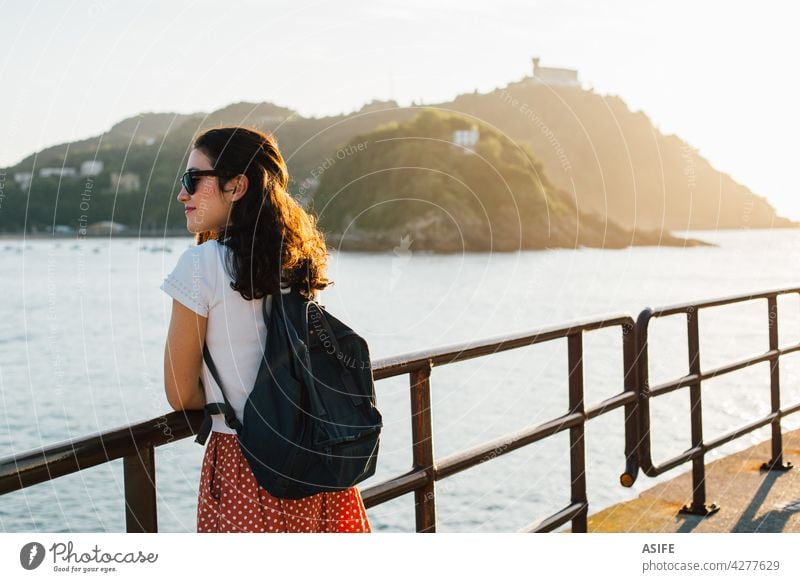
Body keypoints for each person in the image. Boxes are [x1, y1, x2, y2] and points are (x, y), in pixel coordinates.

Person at [159, 126, 372, 533]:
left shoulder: (200, 267)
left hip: (249, 465)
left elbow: (179, 392)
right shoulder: (296, 261)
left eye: (192, 180)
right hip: (313, 461)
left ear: (236, 185)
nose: (182, 194)